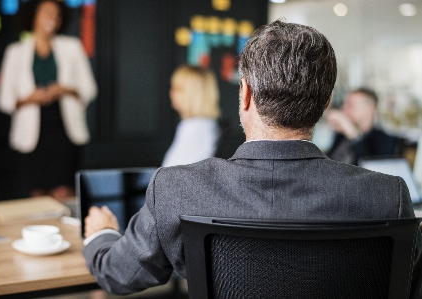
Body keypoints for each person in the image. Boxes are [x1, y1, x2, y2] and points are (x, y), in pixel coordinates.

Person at [82, 20, 421, 297]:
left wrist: (102, 235)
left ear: (244, 94)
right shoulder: (388, 197)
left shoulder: (176, 189)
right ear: (326, 102)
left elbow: (117, 274)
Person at [0, 0, 97, 200]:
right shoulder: (15, 52)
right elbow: (4, 100)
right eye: (47, 13)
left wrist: (63, 90)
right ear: (34, 15)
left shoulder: (72, 47)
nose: (53, 19)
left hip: (64, 131)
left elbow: (90, 89)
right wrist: (30, 99)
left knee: (64, 194)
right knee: (36, 196)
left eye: (57, 15)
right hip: (31, 135)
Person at [161, 65, 221, 167]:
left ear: (190, 94)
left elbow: (169, 173)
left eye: (177, 88)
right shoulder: (207, 125)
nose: (171, 93)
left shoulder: (193, 127)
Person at [325, 88, 397, 165]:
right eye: (344, 104)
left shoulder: (384, 140)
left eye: (350, 105)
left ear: (370, 110)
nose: (343, 108)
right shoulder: (341, 136)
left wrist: (352, 133)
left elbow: (371, 170)